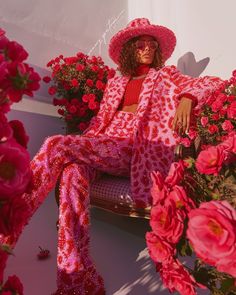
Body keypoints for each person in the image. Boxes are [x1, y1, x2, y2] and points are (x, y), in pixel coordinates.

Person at [0, 18, 223, 295]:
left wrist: (187, 97)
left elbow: (213, 83)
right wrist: (86, 144)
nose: (147, 47)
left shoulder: (166, 77)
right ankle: (76, 277)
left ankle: (8, 221)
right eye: (141, 43)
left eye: (152, 44)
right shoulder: (116, 83)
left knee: (57, 145)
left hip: (135, 147)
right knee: (72, 174)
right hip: (103, 144)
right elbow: (101, 122)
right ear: (130, 48)